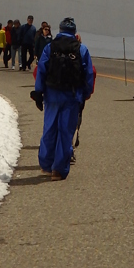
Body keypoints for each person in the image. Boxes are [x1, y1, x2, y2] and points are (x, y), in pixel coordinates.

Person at [31, 17, 94, 180]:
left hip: (52, 94)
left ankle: (46, 165)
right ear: (74, 32)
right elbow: (88, 75)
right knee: (65, 132)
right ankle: (58, 170)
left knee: (49, 129)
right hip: (72, 96)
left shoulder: (50, 47)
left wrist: (38, 92)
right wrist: (86, 93)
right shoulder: (82, 49)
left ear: (60, 30)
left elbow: (41, 70)